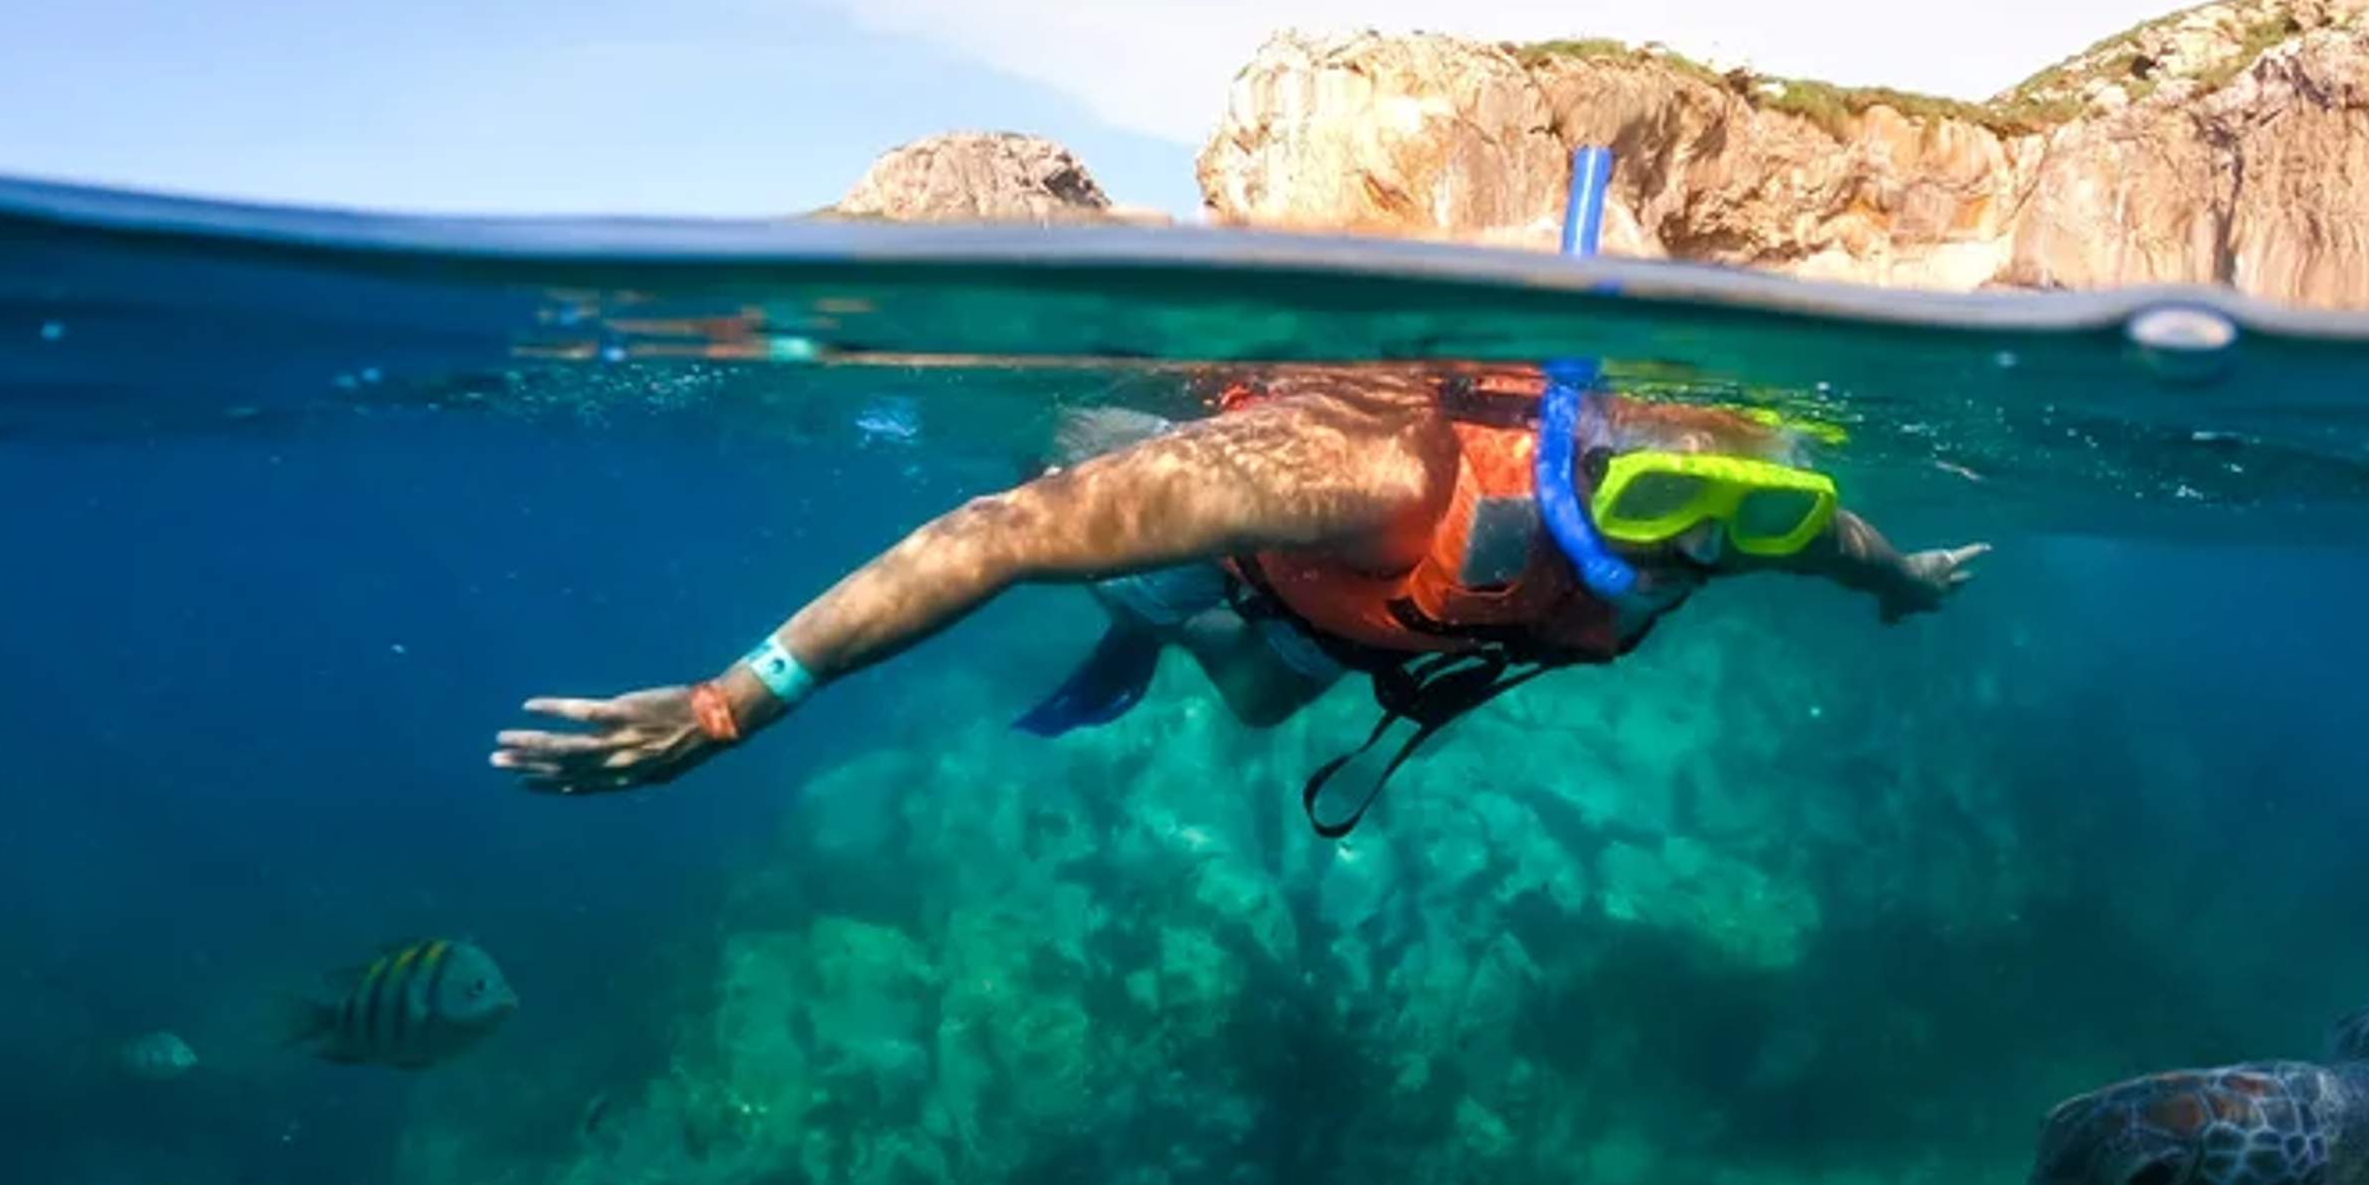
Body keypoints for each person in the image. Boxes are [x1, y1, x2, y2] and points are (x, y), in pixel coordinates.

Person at [492, 366, 1985, 834]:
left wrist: (1902, 583)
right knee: (1165, 580)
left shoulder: (1749, 517)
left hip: (1381, 635)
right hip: (1291, 570)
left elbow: (1838, 539)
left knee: (1269, 702)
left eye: (1749, 520)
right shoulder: (1374, 468)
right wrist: (730, 701)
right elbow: (999, 532)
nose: (1695, 552)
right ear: (1574, 462)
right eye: (1661, 510)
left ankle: (1188, 633)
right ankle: (1145, 581)